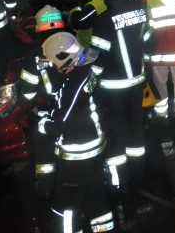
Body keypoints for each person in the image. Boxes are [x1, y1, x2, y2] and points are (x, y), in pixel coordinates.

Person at [72, 0, 148, 196]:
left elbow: (100, 56)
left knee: (115, 132)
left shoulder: (104, 20)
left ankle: (120, 181)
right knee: (135, 128)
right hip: (137, 81)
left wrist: (91, 80)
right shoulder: (140, 10)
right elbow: (148, 38)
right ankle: (139, 173)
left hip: (113, 87)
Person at [38, 31, 115, 233]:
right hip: (95, 148)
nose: (53, 67)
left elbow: (60, 124)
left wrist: (42, 123)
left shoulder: (73, 84)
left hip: (76, 155)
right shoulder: (87, 72)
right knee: (95, 198)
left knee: (65, 207)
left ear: (66, 62)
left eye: (55, 63)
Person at [18, 6, 69, 217]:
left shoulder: (33, 55)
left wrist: (29, 105)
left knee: (45, 154)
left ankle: (46, 189)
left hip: (45, 116)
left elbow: (28, 91)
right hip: (72, 110)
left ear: (38, 30)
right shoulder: (72, 45)